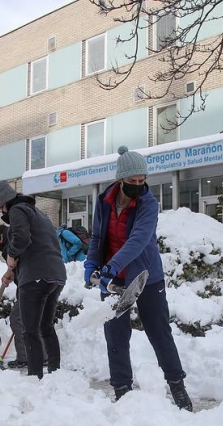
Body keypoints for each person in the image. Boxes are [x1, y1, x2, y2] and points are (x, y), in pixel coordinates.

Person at [84, 145, 193, 411]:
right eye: (132, 181)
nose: (137, 185)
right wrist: (92, 264)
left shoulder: (148, 204)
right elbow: (97, 237)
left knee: (159, 332)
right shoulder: (104, 201)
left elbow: (138, 240)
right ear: (120, 179)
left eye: (141, 180)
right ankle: (122, 390)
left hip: (146, 276)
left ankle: (177, 386)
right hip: (112, 280)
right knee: (116, 336)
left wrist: (111, 266)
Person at [0, 181, 66, 379]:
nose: (2, 213)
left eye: (0, 209)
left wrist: (11, 255)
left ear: (4, 203)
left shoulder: (17, 210)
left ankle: (35, 378)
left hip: (35, 276)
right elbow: (38, 246)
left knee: (30, 329)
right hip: (55, 275)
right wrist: (11, 270)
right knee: (45, 326)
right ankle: (55, 374)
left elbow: (21, 239)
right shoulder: (38, 213)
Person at [0, 224, 34, 369]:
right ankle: (42, 356)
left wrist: (10, 273)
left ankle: (24, 357)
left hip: (28, 285)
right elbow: (18, 265)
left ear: (2, 237)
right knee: (34, 320)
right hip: (36, 282)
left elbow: (15, 265)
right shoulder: (22, 241)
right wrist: (9, 274)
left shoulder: (11, 246)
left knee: (17, 319)